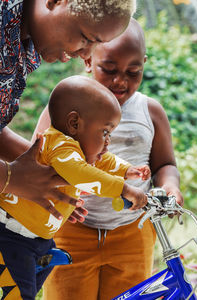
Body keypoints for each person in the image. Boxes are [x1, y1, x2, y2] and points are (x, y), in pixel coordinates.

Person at [34, 19, 184, 300]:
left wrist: (171, 187)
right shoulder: (64, 105)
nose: (120, 81)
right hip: (72, 231)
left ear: (144, 63)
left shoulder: (150, 111)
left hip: (132, 232)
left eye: (133, 71)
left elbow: (165, 164)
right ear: (88, 59)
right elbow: (39, 158)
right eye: (110, 69)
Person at [0, 75, 151, 300]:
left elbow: (103, 160)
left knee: (31, 285)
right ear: (74, 123)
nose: (108, 141)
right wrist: (123, 188)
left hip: (37, 240)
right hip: (13, 237)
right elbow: (80, 174)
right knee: (19, 293)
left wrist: (126, 170)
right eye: (105, 132)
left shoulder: (75, 149)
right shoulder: (61, 146)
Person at [0, 0, 136, 222]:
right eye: (86, 38)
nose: (85, 55)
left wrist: (45, 177)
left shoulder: (25, 45)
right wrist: (10, 177)